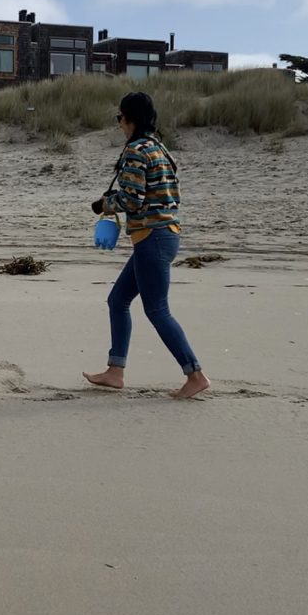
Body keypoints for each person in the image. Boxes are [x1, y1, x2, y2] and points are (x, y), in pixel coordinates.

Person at [83, 92, 210, 399]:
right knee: (117, 300)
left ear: (130, 119)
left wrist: (104, 205)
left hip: (153, 238)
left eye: (119, 118)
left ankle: (195, 374)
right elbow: (170, 196)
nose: (119, 125)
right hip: (164, 235)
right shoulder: (161, 149)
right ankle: (115, 371)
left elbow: (131, 199)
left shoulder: (137, 151)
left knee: (157, 310)